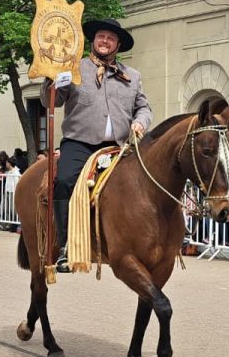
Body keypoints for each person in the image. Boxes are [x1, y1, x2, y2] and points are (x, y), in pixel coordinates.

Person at [42, 17, 152, 272]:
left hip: (121, 147)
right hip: (80, 143)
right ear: (94, 40)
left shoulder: (132, 76)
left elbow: (143, 107)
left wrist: (140, 122)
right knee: (66, 180)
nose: (105, 41)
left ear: (118, 45)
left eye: (111, 38)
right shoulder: (74, 68)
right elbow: (53, 101)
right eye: (101, 36)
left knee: (146, 182)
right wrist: (50, 77)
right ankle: (64, 245)